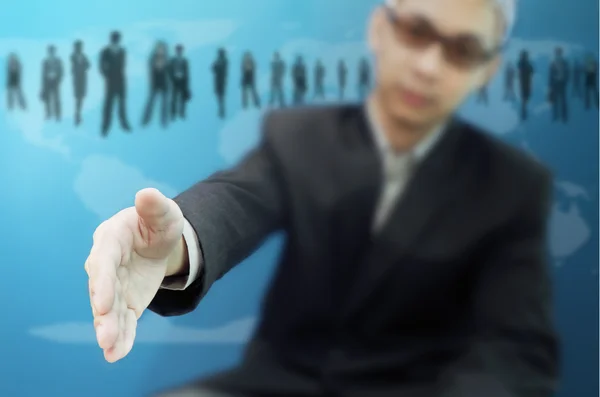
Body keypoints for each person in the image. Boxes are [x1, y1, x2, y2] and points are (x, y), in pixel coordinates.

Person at [85, 1, 559, 396]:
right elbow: (237, 200)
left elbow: (514, 349)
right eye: (416, 31)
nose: (428, 66)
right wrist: (174, 245)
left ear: (487, 70)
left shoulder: (513, 186)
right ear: (380, 29)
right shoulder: (300, 136)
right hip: (275, 385)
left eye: (462, 50)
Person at [99, 31, 131, 136]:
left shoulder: (122, 51)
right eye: (115, 38)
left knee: (122, 104)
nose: (116, 40)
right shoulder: (105, 52)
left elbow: (123, 66)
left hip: (121, 81)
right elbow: (101, 67)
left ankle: (124, 124)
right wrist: (107, 76)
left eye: (118, 39)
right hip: (110, 82)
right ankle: (105, 127)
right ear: (111, 39)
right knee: (108, 105)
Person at [70, 40, 90, 125]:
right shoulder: (73, 56)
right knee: (78, 97)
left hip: (83, 79)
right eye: (78, 47)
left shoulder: (84, 56)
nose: (80, 48)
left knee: (81, 97)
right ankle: (77, 115)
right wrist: (82, 68)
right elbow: (75, 69)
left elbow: (88, 65)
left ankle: (78, 114)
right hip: (77, 80)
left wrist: (83, 67)